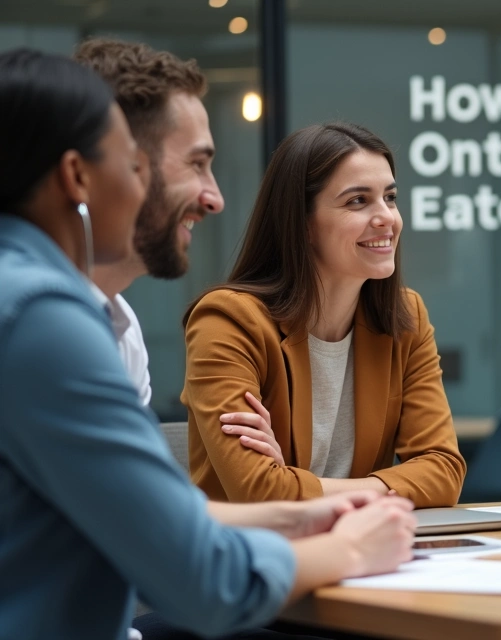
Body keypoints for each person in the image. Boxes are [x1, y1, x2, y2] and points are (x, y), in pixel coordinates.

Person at [0, 48, 415, 640]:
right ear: (78, 177)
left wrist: (296, 514)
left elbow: (146, 515)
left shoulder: (105, 322)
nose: (215, 199)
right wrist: (349, 550)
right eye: (134, 166)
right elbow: (201, 581)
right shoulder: (42, 318)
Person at [182, 122, 466, 505]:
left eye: (390, 197)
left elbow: (444, 472)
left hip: (366, 541)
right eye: (358, 201)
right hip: (256, 543)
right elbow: (259, 492)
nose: (387, 217)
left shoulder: (405, 317)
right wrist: (392, 487)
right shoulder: (227, 322)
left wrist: (296, 483)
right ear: (302, 223)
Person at [73, 38, 225, 406]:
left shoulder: (122, 332)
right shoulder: (23, 316)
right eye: (196, 164)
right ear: (123, 164)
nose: (216, 199)